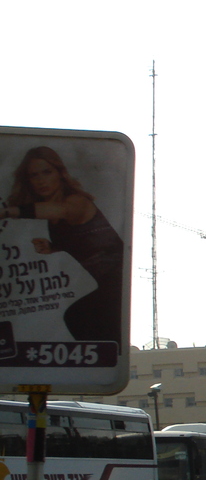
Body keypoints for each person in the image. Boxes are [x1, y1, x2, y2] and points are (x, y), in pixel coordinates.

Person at [3, 145, 124, 342]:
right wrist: (55, 247)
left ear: (60, 173)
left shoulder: (76, 202)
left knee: (78, 317)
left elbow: (62, 211)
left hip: (116, 283)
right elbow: (85, 240)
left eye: (47, 172)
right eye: (34, 175)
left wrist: (8, 212)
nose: (41, 180)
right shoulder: (52, 216)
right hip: (103, 285)